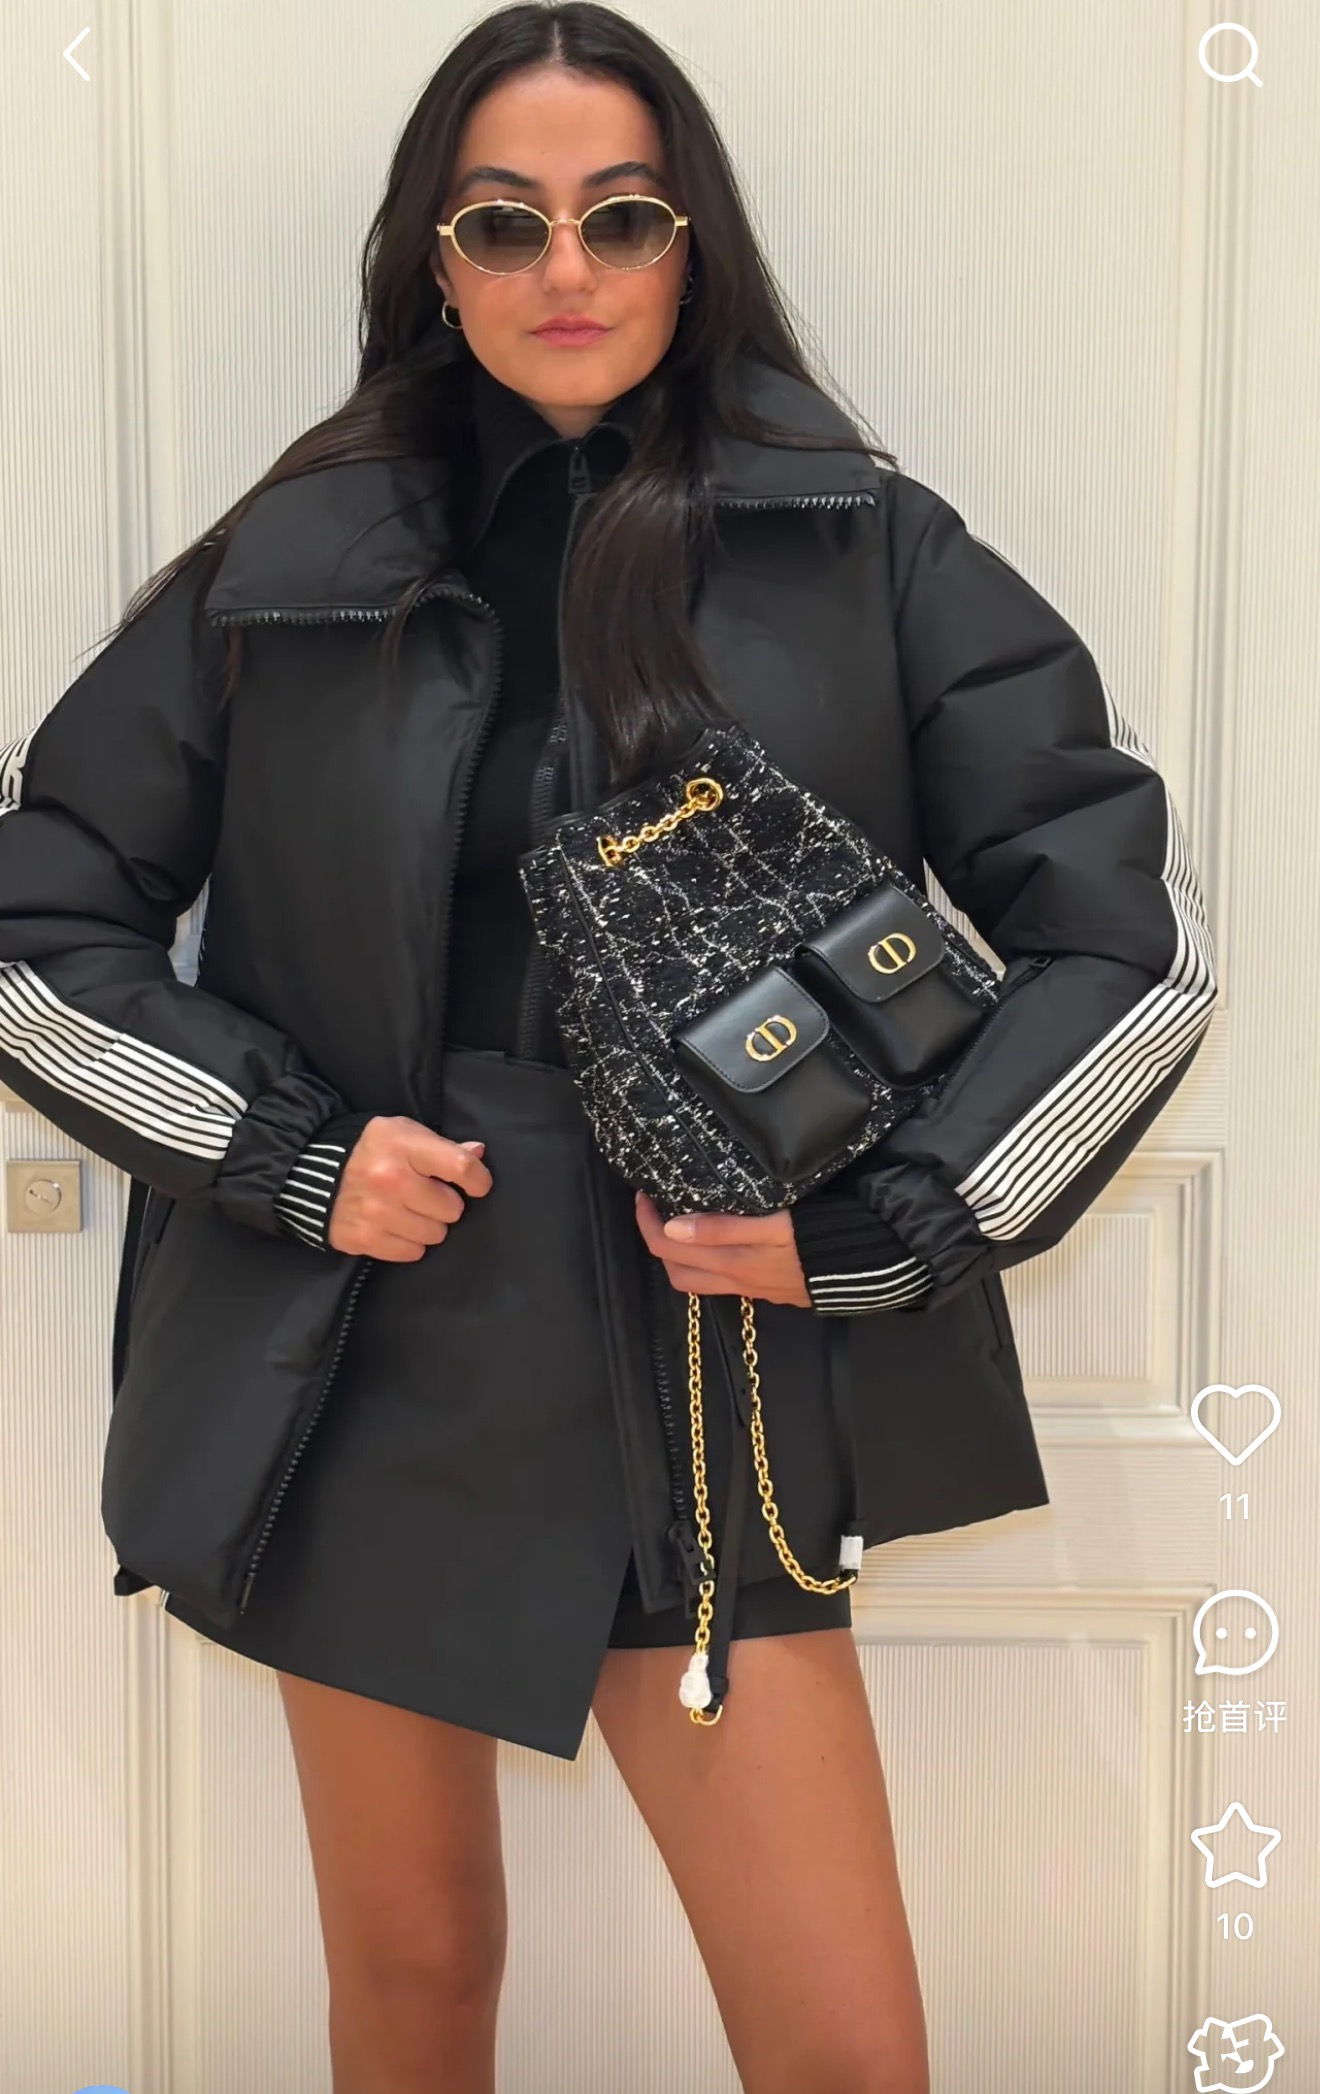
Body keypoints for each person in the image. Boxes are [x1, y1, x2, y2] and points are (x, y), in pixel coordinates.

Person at [0, 6, 1218, 2091]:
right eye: (506, 222)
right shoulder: (290, 571)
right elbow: (38, 923)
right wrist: (292, 1155)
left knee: (844, 2052)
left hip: (705, 1357)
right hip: (360, 1350)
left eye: (621, 217)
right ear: (435, 257)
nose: (566, 269)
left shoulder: (862, 545)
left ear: (690, 242)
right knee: (413, 1988)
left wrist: (892, 1226)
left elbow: (1131, 940)